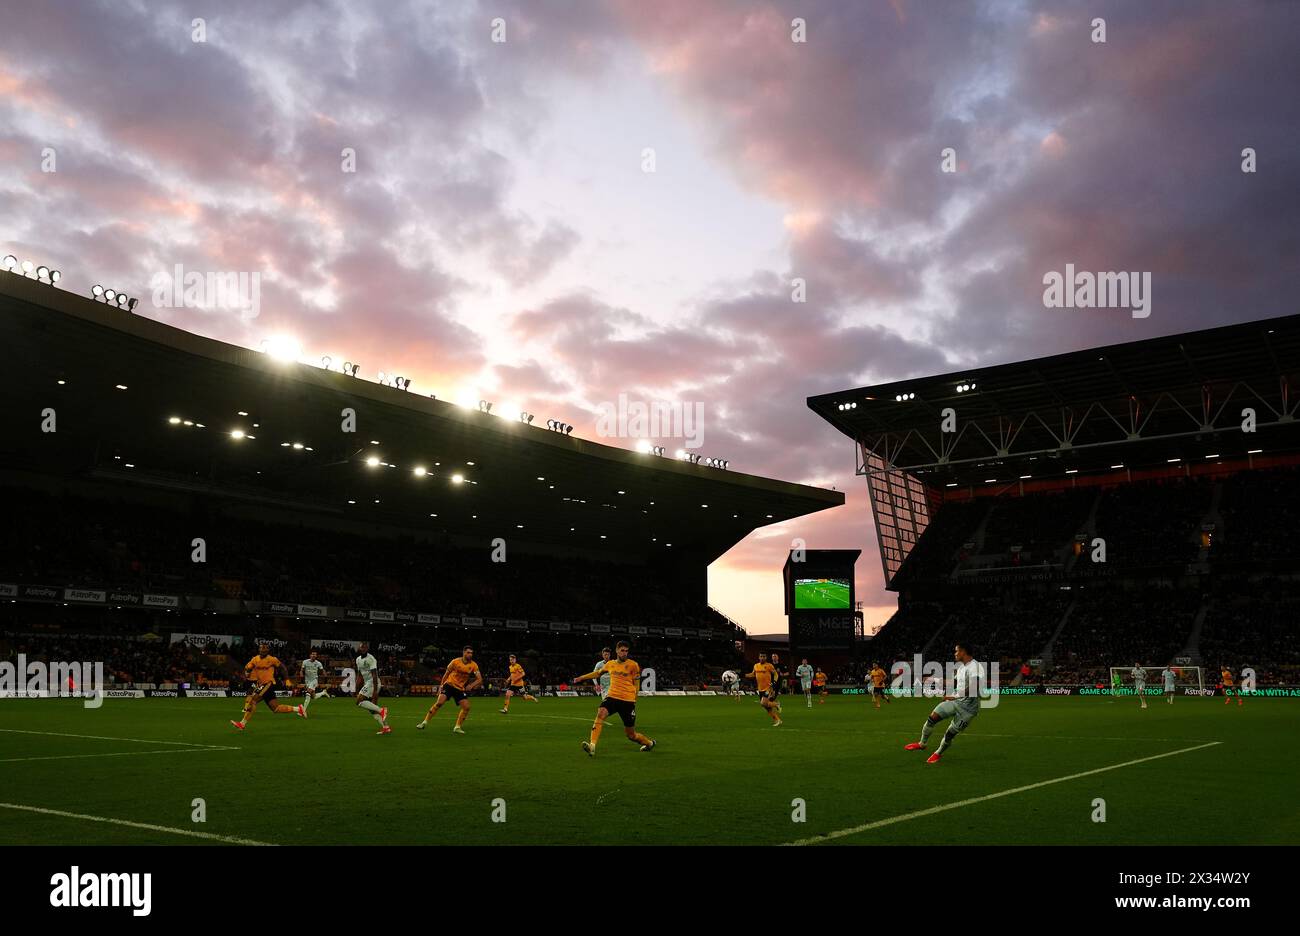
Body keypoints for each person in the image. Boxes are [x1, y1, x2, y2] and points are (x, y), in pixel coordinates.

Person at [904, 643, 986, 764]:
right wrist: (933, 679)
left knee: (950, 734)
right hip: (956, 701)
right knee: (933, 717)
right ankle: (922, 744)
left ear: (963, 651)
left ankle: (938, 753)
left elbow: (974, 687)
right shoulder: (962, 667)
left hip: (968, 710)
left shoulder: (976, 667)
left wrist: (954, 696)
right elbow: (953, 682)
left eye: (956, 651)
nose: (955, 653)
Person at [571, 641, 655, 756]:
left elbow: (636, 683)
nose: (625, 653)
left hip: (628, 701)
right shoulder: (610, 664)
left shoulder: (633, 665)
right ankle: (592, 746)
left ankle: (649, 743)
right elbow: (597, 673)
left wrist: (634, 699)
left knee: (631, 735)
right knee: (601, 713)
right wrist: (581, 678)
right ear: (617, 651)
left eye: (626, 651)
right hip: (612, 697)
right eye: (622, 650)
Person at [231, 642, 301, 730]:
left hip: (268, 683)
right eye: (261, 648)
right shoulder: (254, 659)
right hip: (261, 685)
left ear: (268, 650)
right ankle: (298, 709)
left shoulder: (272, 659)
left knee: (253, 700)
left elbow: (282, 668)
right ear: (259, 649)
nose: (263, 649)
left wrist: (287, 680)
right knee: (275, 708)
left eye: (265, 648)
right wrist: (247, 671)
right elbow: (248, 668)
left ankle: (242, 724)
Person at [417, 646, 483, 733]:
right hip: (449, 685)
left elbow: (479, 679)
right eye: (468, 652)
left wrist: (471, 685)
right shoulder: (455, 662)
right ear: (463, 652)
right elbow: (446, 674)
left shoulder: (474, 665)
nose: (470, 654)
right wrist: (441, 686)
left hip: (459, 688)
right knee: (439, 703)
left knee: (467, 707)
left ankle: (457, 727)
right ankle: (424, 722)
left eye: (471, 653)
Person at [354, 642, 390, 734]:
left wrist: (375, 691)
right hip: (368, 683)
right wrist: (356, 690)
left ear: (367, 649)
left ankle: (382, 710)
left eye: (365, 647)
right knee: (372, 709)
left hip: (373, 683)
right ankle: (386, 727)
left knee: (359, 701)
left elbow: (374, 675)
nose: (363, 649)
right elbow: (359, 676)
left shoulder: (371, 659)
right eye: (362, 647)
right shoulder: (358, 660)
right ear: (359, 648)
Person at [743, 653, 781, 726]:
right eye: (761, 656)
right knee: (767, 708)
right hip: (760, 689)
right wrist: (744, 675)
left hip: (768, 688)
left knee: (763, 703)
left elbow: (776, 674)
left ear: (766, 658)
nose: (762, 658)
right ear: (759, 657)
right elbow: (753, 674)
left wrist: (774, 682)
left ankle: (776, 704)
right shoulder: (756, 666)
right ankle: (777, 720)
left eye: (764, 656)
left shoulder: (769, 665)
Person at [298, 649, 328, 716]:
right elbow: (301, 670)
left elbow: (322, 670)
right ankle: (323, 692)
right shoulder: (305, 662)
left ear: (316, 656)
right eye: (312, 654)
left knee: (308, 693)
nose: (314, 655)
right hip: (307, 681)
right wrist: (301, 674)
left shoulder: (318, 663)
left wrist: (325, 675)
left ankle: (303, 711)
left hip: (314, 680)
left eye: (315, 654)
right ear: (310, 655)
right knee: (313, 697)